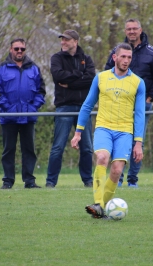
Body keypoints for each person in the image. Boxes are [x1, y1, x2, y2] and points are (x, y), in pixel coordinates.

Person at [71, 43, 145, 219]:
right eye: (123, 57)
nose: (126, 60)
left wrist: (138, 143)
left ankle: (100, 209)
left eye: (129, 57)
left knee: (117, 170)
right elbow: (87, 105)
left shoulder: (138, 83)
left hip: (124, 132)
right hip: (104, 127)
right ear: (115, 57)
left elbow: (140, 114)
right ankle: (98, 204)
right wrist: (78, 132)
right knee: (102, 158)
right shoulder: (101, 78)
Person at [104, 18, 153, 188]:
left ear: (140, 30)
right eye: (128, 29)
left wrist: (149, 98)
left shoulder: (151, 52)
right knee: (120, 140)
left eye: (134, 29)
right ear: (125, 31)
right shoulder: (117, 51)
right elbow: (106, 73)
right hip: (119, 105)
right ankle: (119, 178)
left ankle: (132, 180)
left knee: (138, 141)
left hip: (142, 105)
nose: (131, 31)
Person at [0, 38, 46, 189]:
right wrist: (9, 109)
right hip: (9, 118)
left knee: (29, 149)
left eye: (22, 49)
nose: (19, 51)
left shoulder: (34, 68)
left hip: (28, 117)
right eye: (16, 49)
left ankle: (29, 181)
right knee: (8, 150)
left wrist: (33, 108)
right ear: (11, 50)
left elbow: (41, 92)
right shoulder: (1, 68)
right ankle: (8, 181)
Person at [46, 29, 95, 188]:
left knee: (87, 147)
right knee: (58, 147)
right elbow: (58, 77)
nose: (63, 42)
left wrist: (71, 82)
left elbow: (90, 80)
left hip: (84, 108)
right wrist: (79, 75)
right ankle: (50, 182)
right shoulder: (56, 58)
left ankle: (88, 181)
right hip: (64, 107)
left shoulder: (86, 59)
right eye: (62, 39)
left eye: (66, 39)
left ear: (75, 41)